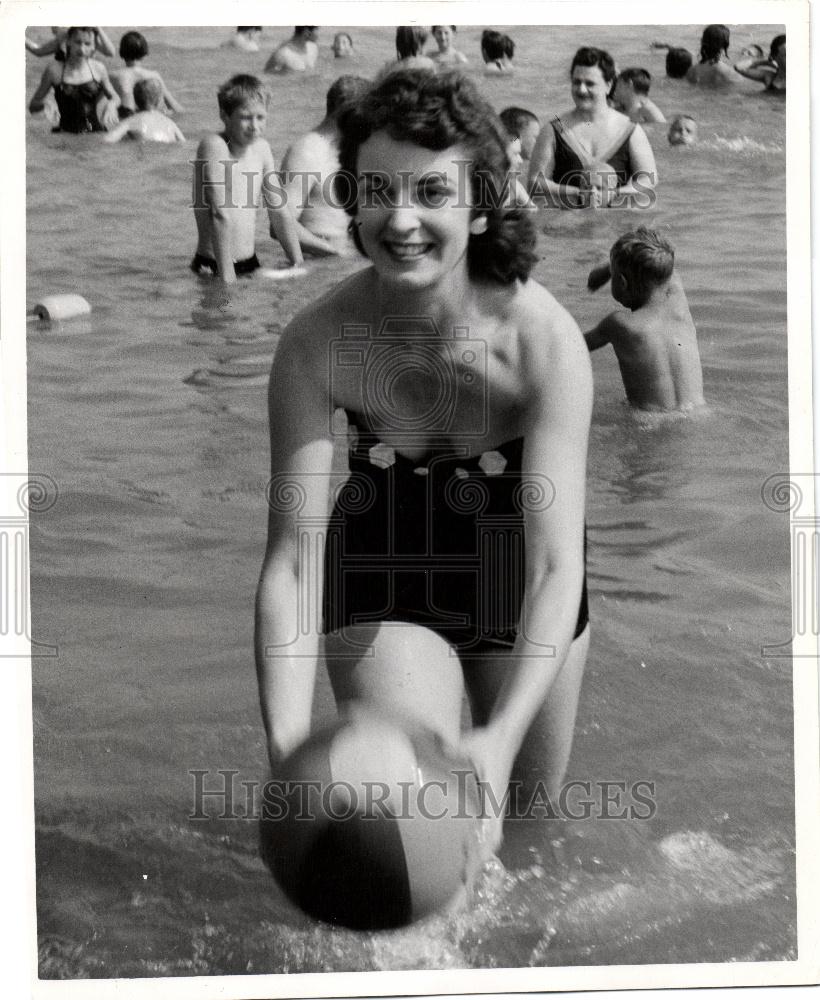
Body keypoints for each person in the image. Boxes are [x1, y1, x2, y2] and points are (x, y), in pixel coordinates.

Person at [254, 69, 592, 854]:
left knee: (532, 835)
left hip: (521, 566)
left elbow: (553, 567)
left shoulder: (540, 343)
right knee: (403, 826)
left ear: (478, 207)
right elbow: (291, 569)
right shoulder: (316, 344)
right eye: (377, 190)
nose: (400, 219)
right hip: (385, 554)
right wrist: (286, 750)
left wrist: (502, 738)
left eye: (432, 192)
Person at [191, 74, 303, 282]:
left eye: (260, 117)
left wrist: (297, 263)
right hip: (215, 266)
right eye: (245, 117)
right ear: (224, 115)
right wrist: (228, 280)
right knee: (221, 314)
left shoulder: (262, 149)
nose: (254, 125)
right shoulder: (214, 146)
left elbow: (278, 211)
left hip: (250, 263)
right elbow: (219, 213)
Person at [584, 227, 704, 411]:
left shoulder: (619, 324)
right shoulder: (679, 305)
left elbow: (574, 345)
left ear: (622, 283)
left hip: (650, 423)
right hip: (698, 415)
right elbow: (663, 267)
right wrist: (617, 267)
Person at [527, 47, 657, 209]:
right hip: (567, 226)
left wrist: (615, 193)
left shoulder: (630, 131)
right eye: (576, 82)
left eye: (589, 83)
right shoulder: (553, 130)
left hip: (615, 227)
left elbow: (648, 181)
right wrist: (575, 192)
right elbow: (535, 183)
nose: (581, 89)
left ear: (608, 86)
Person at [279, 75, 370, 256]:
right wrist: (334, 253)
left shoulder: (348, 149)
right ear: (347, 112)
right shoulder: (306, 151)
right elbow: (281, 224)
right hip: (318, 263)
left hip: (343, 259)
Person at [29, 26, 120, 133]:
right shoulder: (54, 70)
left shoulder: (98, 68)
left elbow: (115, 97)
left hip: (95, 136)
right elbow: (33, 106)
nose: (81, 49)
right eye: (77, 42)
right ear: (68, 42)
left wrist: (112, 105)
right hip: (65, 136)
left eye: (87, 44)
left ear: (93, 47)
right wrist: (46, 104)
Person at [110, 31, 183, 119]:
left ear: (121, 53)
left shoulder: (113, 76)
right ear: (144, 54)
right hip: (151, 119)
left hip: (126, 120)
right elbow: (176, 109)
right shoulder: (154, 76)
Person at [103, 78, 185, 143]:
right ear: (159, 100)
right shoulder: (170, 123)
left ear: (135, 100)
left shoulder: (131, 122)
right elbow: (183, 143)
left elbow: (106, 140)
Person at [26, 26, 116, 60]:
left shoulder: (91, 35)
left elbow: (111, 52)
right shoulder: (64, 34)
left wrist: (98, 29)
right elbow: (38, 51)